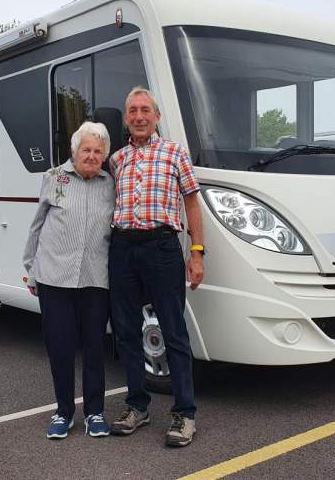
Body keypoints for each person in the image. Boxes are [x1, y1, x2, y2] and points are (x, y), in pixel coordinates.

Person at [108, 86, 205, 447]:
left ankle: (185, 413)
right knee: (126, 331)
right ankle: (137, 406)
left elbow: (192, 205)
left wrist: (196, 253)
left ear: (157, 116)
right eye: (132, 110)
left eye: (145, 110)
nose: (138, 116)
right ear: (126, 118)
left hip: (162, 247)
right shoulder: (116, 160)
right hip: (122, 248)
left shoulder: (175, 154)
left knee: (174, 332)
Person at [23, 122, 115, 440]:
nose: (91, 156)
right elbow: (37, 225)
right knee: (60, 348)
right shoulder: (54, 178)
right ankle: (63, 412)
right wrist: (31, 268)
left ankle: (95, 413)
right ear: (74, 152)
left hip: (95, 279)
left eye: (97, 151)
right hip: (54, 278)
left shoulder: (110, 184)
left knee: (94, 349)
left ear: (105, 156)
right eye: (86, 150)